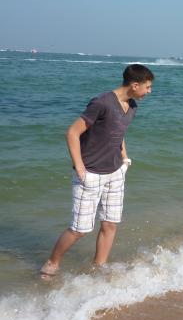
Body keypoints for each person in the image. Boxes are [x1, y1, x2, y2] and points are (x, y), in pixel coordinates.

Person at [40, 64, 154, 278]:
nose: (149, 91)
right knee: (80, 229)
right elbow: (72, 133)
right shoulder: (102, 103)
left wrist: (125, 159)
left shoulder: (132, 106)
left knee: (110, 224)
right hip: (90, 173)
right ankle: (52, 263)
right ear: (135, 84)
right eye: (147, 87)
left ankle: (98, 269)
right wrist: (80, 167)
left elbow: (118, 134)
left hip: (116, 173)